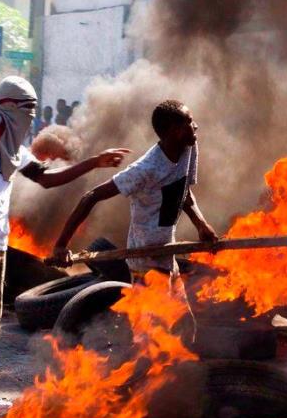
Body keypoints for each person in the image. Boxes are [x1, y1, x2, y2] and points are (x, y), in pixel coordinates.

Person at [0, 76, 130, 412]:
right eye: (27, 108)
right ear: (7, 105)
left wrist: (93, 163)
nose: (31, 117)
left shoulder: (8, 143)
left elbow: (46, 179)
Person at [48, 100, 217, 285]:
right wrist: (61, 246)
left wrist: (201, 224)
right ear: (175, 131)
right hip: (146, 263)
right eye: (190, 122)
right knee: (153, 314)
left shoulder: (188, 148)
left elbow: (183, 190)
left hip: (167, 255)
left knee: (182, 314)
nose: (195, 126)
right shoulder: (145, 169)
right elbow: (91, 196)